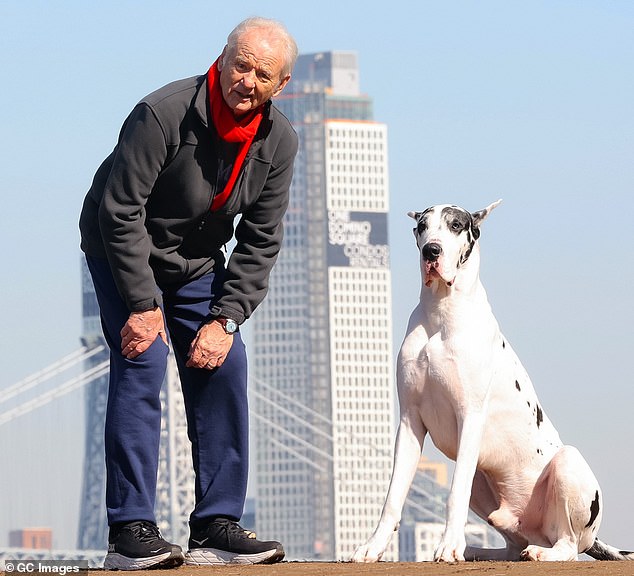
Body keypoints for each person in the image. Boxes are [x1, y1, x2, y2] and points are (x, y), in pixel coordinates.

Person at [79, 17, 298, 570]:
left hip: (197, 262)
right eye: (240, 64)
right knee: (141, 360)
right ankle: (130, 531)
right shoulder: (162, 114)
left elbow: (260, 238)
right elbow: (119, 211)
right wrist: (142, 306)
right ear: (222, 59)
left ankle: (216, 527)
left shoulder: (281, 142)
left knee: (225, 366)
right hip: (121, 249)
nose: (246, 79)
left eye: (262, 73)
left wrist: (225, 320)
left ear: (281, 85)